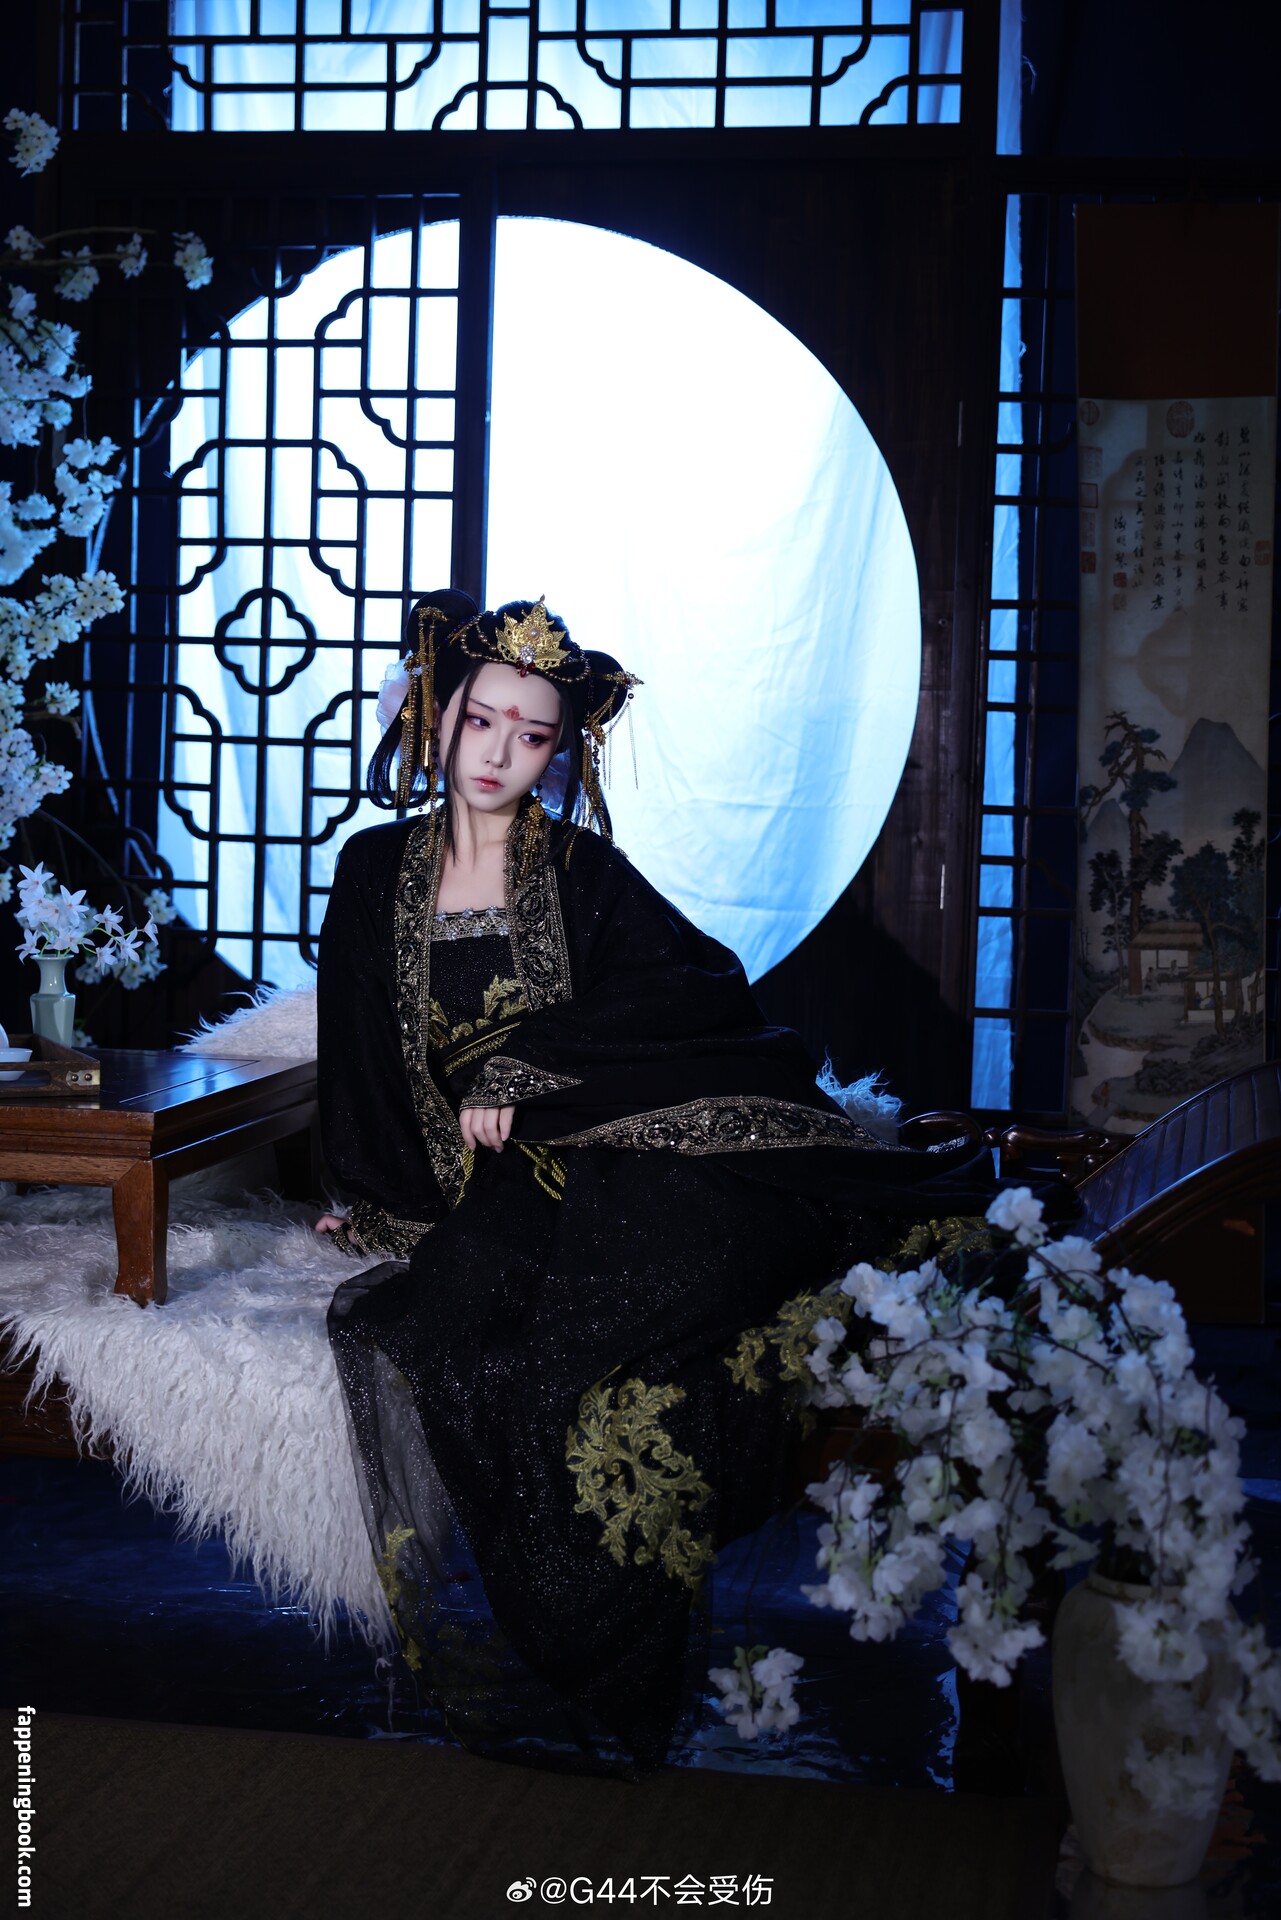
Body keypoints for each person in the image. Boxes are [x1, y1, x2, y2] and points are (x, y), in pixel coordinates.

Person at [317, 588, 996, 1780]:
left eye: (534, 735)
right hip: (489, 1187)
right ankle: (578, 1656)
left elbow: (696, 987)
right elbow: (363, 1052)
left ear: (560, 752)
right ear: (437, 717)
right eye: (483, 721)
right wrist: (375, 1197)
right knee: (477, 1344)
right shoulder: (375, 871)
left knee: (709, 1239)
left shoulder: (581, 871)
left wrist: (533, 1065)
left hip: (601, 1143)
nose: (501, 754)